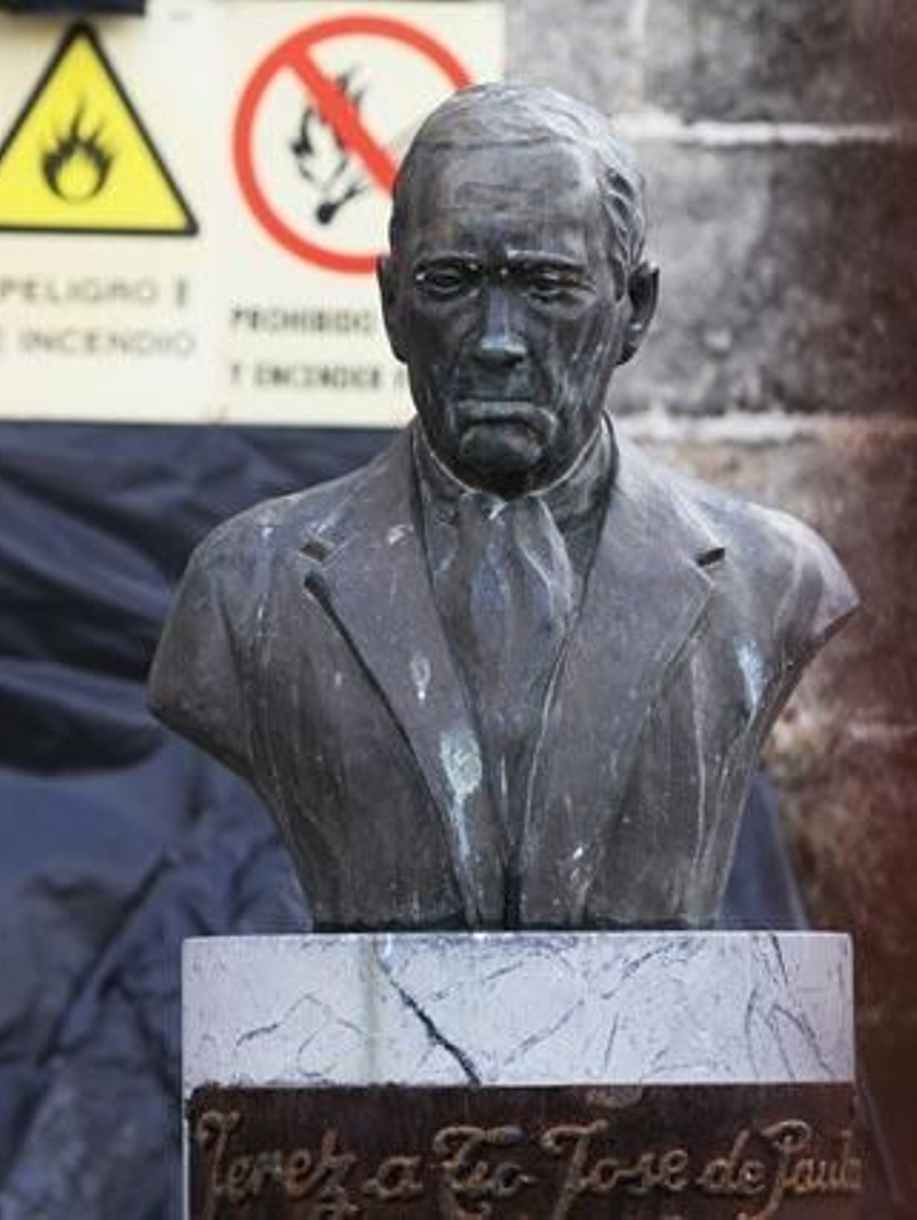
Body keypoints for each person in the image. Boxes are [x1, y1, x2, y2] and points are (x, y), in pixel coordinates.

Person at [148, 83, 857, 931]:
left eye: (547, 286)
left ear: (634, 310)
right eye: (452, 282)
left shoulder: (771, 578)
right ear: (392, 308)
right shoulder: (245, 589)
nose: (496, 339)